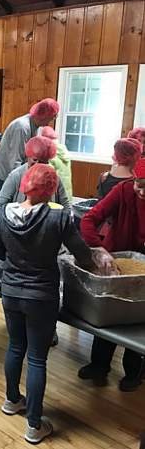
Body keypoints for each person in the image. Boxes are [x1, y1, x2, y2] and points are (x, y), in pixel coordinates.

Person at [0, 164, 96, 444]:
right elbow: (82, 254)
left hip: (11, 291)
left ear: (24, 184)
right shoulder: (59, 217)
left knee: (15, 346)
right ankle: (34, 425)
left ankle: (12, 400)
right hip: (41, 295)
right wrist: (96, 263)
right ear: (51, 190)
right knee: (37, 358)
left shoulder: (2, 213)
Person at [78, 157, 145, 392]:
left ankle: (134, 372)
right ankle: (99, 365)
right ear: (133, 179)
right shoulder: (122, 190)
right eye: (140, 184)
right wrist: (99, 249)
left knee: (139, 318)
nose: (142, 191)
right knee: (110, 312)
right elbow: (89, 219)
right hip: (116, 261)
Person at [0, 98, 60, 224]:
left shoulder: (37, 126)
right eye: (52, 117)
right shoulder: (22, 127)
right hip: (2, 171)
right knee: (0, 206)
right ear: (43, 116)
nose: (52, 121)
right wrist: (25, 183)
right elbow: (15, 160)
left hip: (14, 168)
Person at [0, 135, 71, 218]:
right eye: (35, 160)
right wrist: (9, 225)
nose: (37, 164)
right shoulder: (16, 176)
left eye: (42, 161)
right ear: (28, 156)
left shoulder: (53, 177)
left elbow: (66, 205)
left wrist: (62, 222)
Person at [41, 126, 73, 201]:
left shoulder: (50, 155)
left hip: (57, 196)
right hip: (67, 195)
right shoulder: (64, 151)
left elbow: (46, 179)